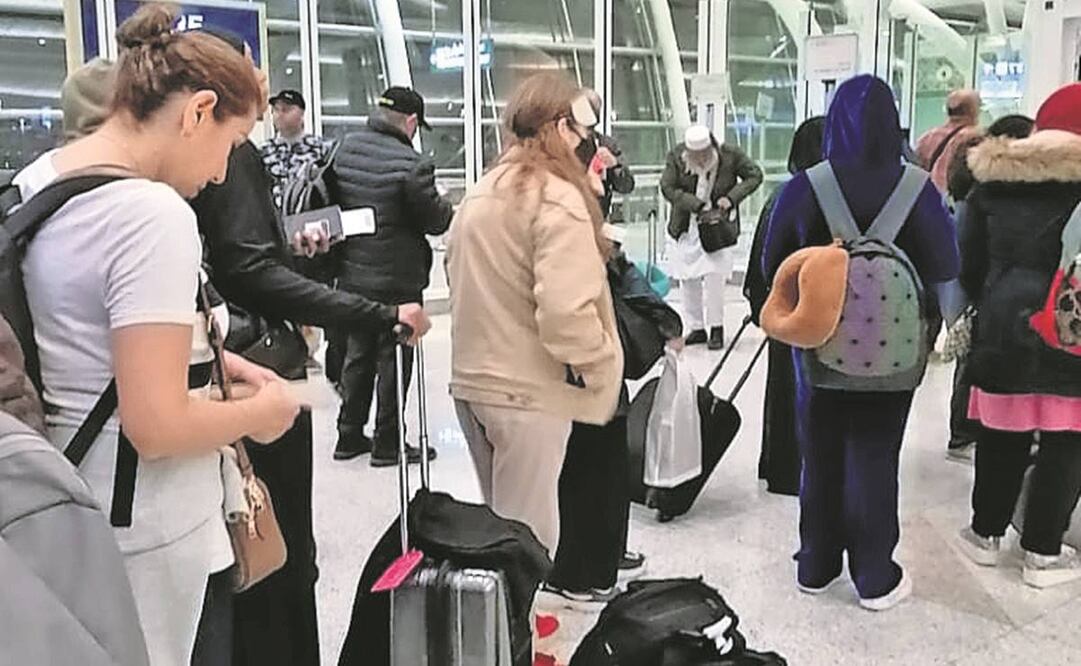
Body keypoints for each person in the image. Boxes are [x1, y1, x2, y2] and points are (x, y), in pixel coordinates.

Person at [11, 4, 301, 662]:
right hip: (150, 528)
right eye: (229, 144)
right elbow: (156, 425)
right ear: (198, 110)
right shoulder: (150, 214)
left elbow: (93, 353)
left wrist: (220, 371)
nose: (224, 173)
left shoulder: (47, 179)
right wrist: (264, 409)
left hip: (70, 498)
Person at [191, 60, 431, 666]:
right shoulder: (222, 162)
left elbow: (251, 258)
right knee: (276, 552)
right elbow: (248, 269)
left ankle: (354, 434)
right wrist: (375, 313)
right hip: (258, 367)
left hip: (262, 344)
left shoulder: (339, 149)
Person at [763, 75, 959, 611]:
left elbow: (769, 263)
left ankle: (815, 564)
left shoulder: (806, 185)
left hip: (819, 347)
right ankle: (875, 576)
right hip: (892, 352)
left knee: (819, 451)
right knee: (875, 453)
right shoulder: (917, 187)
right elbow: (947, 264)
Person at [446, 73, 623, 554]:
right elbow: (567, 313)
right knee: (527, 540)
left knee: (498, 530)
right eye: (582, 134)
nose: (585, 145)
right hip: (526, 393)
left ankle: (502, 625)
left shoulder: (481, 192)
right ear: (562, 128)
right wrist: (601, 365)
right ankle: (516, 626)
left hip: (473, 382)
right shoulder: (556, 198)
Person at [955, 84, 1081, 588]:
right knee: (1066, 443)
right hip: (1071, 334)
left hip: (1002, 328)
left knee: (1000, 435)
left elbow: (965, 264)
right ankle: (1043, 554)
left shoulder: (991, 186)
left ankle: (986, 535)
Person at [544, 224, 682, 607]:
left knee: (585, 468)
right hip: (593, 367)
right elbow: (619, 271)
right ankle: (591, 568)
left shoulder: (550, 218)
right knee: (598, 467)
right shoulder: (572, 216)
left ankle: (588, 567)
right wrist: (665, 319)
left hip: (567, 371)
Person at [326, 86, 453, 466]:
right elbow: (435, 221)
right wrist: (443, 201)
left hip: (353, 275)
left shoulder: (343, 149)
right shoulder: (412, 165)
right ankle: (387, 443)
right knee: (396, 360)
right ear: (411, 122)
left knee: (357, 355)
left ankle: (348, 435)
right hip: (399, 282)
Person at [942, 113, 1034, 463]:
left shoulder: (973, 173)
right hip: (977, 285)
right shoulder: (986, 186)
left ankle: (964, 431)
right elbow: (971, 250)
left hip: (970, 282)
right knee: (970, 360)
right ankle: (963, 432)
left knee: (968, 358)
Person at [744, 116, 825, 497]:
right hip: (821, 315)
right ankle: (806, 469)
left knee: (782, 390)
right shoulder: (833, 198)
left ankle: (778, 466)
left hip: (784, 311)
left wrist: (763, 304)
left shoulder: (784, 195)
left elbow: (762, 259)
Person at [662, 124, 763, 350]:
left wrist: (731, 198)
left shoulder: (730, 155)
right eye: (694, 156)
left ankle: (717, 327)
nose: (699, 160)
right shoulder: (676, 157)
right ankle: (696, 327)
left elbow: (755, 175)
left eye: (703, 155)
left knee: (715, 278)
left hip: (718, 228)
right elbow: (667, 187)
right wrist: (694, 205)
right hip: (687, 227)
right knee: (687, 279)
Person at [262, 89, 335, 213]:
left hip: (310, 216)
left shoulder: (320, 148)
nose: (279, 114)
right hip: (273, 219)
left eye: (286, 110)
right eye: (276, 110)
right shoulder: (264, 151)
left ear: (301, 114)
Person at [582, 89, 635, 220]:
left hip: (598, 219)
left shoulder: (605, 144)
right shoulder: (563, 144)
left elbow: (627, 185)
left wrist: (614, 164)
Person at [915, 89, 982, 193]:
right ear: (973, 111)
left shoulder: (927, 138)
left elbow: (918, 170)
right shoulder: (975, 138)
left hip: (931, 196)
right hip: (955, 199)